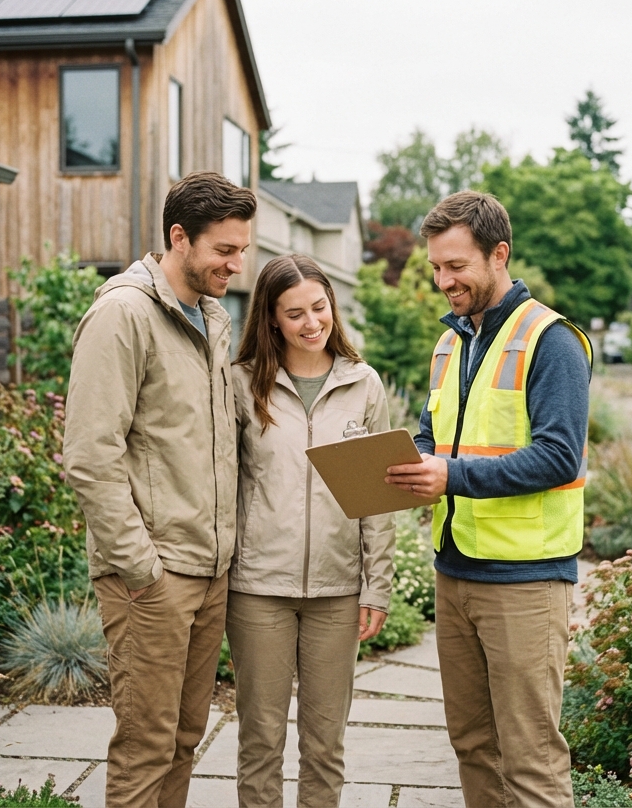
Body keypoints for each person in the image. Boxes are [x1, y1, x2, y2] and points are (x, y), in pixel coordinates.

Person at [385, 191, 592, 808]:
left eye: (456, 267)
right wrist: (403, 462)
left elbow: (559, 457)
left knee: (530, 758)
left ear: (499, 254)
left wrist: (449, 476)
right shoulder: (451, 342)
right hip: (456, 573)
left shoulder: (550, 341)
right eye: (435, 268)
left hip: (525, 581)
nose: (443, 281)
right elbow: (437, 436)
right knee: (473, 744)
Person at [63, 171, 256, 808]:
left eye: (242, 250)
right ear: (179, 238)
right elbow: (90, 457)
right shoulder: (122, 315)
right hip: (154, 576)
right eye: (224, 250)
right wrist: (143, 569)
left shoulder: (211, 316)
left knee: (183, 737)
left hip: (210, 568)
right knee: (146, 745)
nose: (237, 263)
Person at [228, 254, 396, 808]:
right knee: (261, 741)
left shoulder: (362, 384)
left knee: (325, 746)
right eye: (294, 312)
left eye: (319, 307)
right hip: (258, 590)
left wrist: (377, 586)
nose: (311, 323)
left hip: (337, 592)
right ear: (271, 318)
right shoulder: (240, 384)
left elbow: (378, 499)